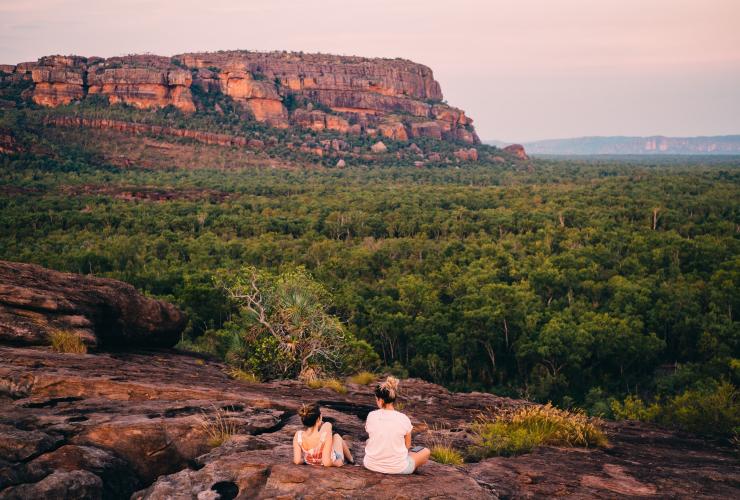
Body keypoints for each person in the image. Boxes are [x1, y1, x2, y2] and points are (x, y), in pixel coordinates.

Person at [363, 376, 430, 474]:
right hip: (398, 468)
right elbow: (407, 446)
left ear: (381, 400)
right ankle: (410, 467)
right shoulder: (403, 418)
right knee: (425, 451)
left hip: (370, 465)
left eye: (376, 399)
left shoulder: (371, 415)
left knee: (369, 440)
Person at [293, 403, 353, 467]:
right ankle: (352, 461)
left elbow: (297, 461)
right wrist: (338, 462)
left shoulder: (298, 435)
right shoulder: (327, 426)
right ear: (319, 418)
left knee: (334, 437)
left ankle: (351, 460)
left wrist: (306, 460)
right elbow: (326, 463)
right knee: (337, 436)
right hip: (332, 459)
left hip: (310, 461)